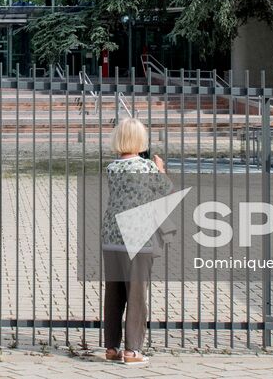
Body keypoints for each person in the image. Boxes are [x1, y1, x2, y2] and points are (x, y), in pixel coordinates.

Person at [100, 118, 170, 365]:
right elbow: (162, 192)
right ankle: (132, 351)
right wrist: (160, 168)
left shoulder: (112, 168)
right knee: (137, 294)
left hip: (111, 236)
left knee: (114, 293)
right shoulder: (147, 168)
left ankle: (111, 346)